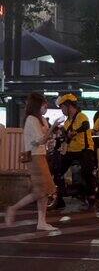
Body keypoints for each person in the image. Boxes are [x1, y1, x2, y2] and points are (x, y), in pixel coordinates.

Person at [5, 93, 57, 231]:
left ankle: (41, 221)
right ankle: (13, 208)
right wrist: (53, 127)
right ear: (37, 106)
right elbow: (40, 140)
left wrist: (50, 130)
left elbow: (45, 140)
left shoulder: (41, 120)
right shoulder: (31, 120)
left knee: (44, 191)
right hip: (35, 158)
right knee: (40, 191)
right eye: (43, 104)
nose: (45, 107)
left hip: (41, 155)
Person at [56, 94, 97, 208]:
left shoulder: (81, 116)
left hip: (85, 149)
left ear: (69, 106)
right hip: (71, 150)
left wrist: (75, 132)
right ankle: (60, 196)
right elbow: (64, 136)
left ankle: (91, 195)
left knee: (86, 171)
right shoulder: (66, 122)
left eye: (63, 107)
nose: (62, 110)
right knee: (58, 170)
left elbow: (86, 126)